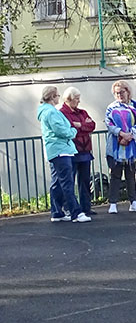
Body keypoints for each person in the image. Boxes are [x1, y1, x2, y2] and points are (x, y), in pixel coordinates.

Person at [38, 86, 91, 224]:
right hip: (61, 150)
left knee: (57, 182)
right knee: (67, 182)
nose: (58, 98)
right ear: (52, 97)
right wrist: (73, 131)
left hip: (54, 150)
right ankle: (76, 213)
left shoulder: (46, 111)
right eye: (57, 95)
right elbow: (62, 130)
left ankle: (57, 212)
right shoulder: (51, 112)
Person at [106, 80, 136, 215]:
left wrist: (130, 135)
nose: (119, 95)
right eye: (116, 93)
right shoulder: (111, 107)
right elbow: (109, 124)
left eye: (121, 92)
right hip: (116, 147)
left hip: (132, 146)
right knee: (115, 175)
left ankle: (133, 202)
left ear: (128, 92)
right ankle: (113, 203)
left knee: (131, 175)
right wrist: (121, 134)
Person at [59, 87, 96, 216]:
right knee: (69, 181)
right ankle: (68, 208)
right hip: (72, 151)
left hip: (85, 151)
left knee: (85, 180)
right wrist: (83, 126)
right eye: (76, 98)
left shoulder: (83, 112)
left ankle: (86, 207)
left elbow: (92, 125)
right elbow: (69, 128)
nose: (79, 101)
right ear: (68, 99)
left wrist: (80, 125)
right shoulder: (62, 113)